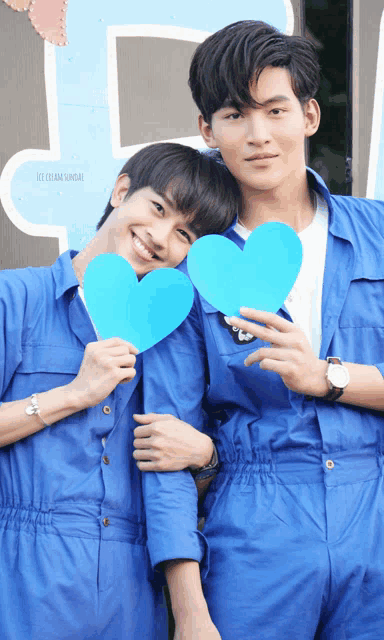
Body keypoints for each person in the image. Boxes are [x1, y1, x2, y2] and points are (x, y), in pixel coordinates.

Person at [137, 21, 384, 640]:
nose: (260, 135)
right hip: (255, 523)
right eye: (236, 115)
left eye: (276, 110)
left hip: (383, 517)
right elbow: (163, 444)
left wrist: (329, 377)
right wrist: (189, 612)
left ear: (310, 115)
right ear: (208, 131)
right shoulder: (192, 269)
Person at [0, 142, 240, 640]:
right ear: (122, 189)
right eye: (157, 209)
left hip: (131, 588)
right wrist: (72, 394)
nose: (159, 237)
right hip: (23, 575)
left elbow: (171, 482)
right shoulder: (16, 298)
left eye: (184, 234)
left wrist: (205, 455)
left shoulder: (172, 338)